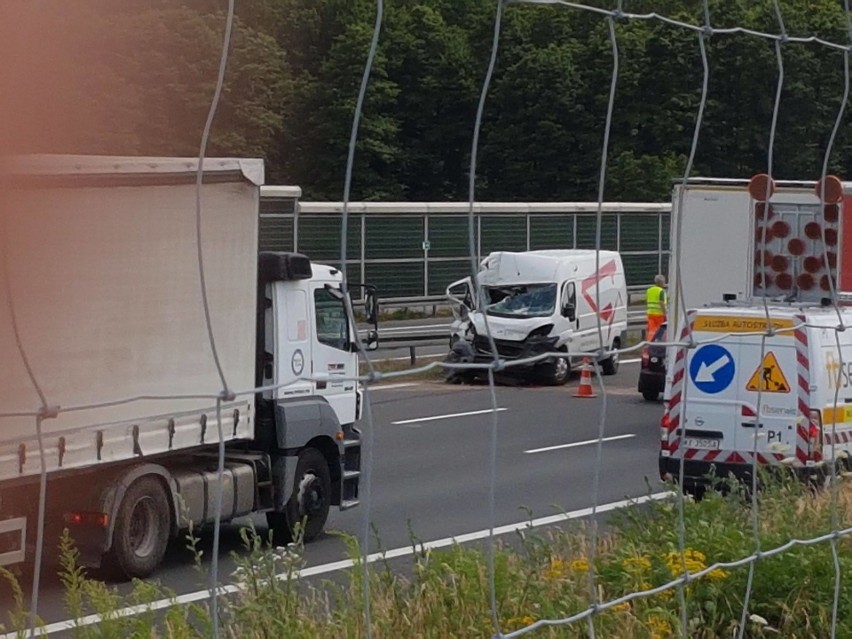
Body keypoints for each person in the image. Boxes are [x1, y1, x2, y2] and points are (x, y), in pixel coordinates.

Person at [646, 274, 667, 339]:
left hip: (650, 314)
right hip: (659, 315)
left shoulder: (649, 290)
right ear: (661, 282)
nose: (664, 283)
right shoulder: (661, 291)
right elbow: (661, 303)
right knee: (659, 331)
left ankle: (649, 344)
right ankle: (657, 344)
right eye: (664, 282)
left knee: (651, 331)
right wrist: (665, 314)